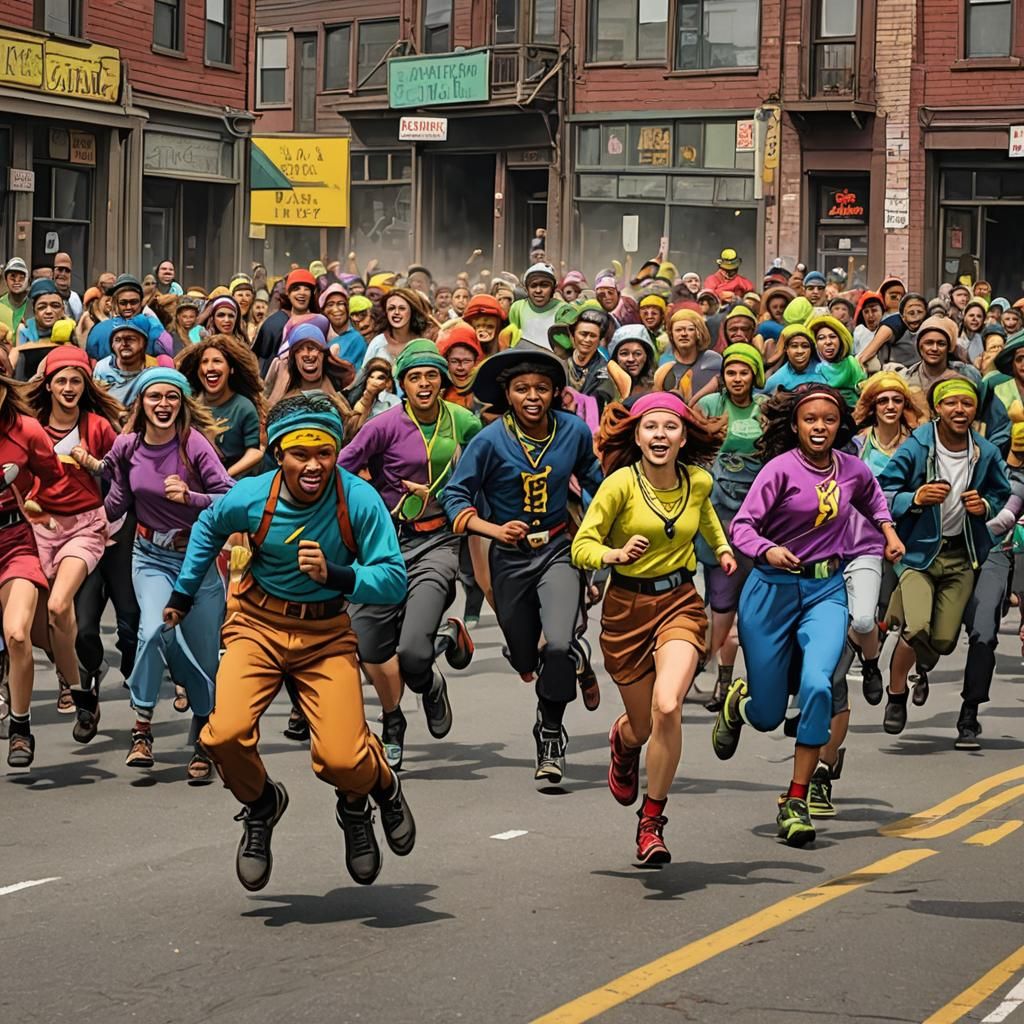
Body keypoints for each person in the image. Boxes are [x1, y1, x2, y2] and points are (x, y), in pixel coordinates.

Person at [162, 393, 412, 890]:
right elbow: (209, 524)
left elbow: (393, 577)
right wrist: (184, 592)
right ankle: (261, 806)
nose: (314, 464)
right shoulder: (253, 496)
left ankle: (369, 792)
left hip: (325, 635)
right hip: (257, 626)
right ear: (279, 454)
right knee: (222, 736)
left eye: (324, 451)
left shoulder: (357, 499)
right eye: (300, 453)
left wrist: (338, 574)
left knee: (343, 759)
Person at [712, 384, 904, 846]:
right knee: (768, 714)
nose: (820, 427)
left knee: (820, 684)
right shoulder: (779, 470)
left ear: (840, 426)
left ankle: (796, 798)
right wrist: (768, 550)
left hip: (826, 590)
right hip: (770, 592)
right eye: (810, 420)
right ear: (795, 425)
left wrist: (888, 533)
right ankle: (740, 704)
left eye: (829, 420)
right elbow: (741, 526)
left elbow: (874, 499)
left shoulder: (853, 470)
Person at [572, 392, 734, 863]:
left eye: (670, 427)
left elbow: (705, 519)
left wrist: (721, 549)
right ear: (638, 436)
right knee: (642, 727)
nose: (660, 435)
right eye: (651, 427)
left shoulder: (698, 481)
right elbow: (583, 544)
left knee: (669, 705)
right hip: (626, 610)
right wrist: (613, 555)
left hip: (680, 602)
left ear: (685, 437)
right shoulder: (620, 484)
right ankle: (623, 742)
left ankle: (652, 820)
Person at [443, 346, 604, 787]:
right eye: (521, 389)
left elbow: (597, 482)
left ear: (555, 392)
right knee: (525, 657)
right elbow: (455, 496)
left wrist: (601, 530)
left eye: (541, 388)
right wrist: (492, 530)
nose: (532, 396)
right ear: (507, 395)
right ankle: (575, 659)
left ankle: (550, 732)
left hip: (557, 549)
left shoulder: (572, 430)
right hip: (509, 558)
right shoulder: (488, 440)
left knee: (556, 644)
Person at [75, 368, 234, 777]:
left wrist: (192, 496)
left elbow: (230, 496)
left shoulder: (193, 444)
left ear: (181, 404)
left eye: (172, 398)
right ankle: (142, 726)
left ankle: (203, 731)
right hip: (149, 557)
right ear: (141, 403)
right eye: (154, 397)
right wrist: (78, 514)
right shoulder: (128, 446)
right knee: (151, 631)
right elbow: (117, 503)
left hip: (196, 560)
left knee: (203, 656)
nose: (163, 405)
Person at [338, 340, 480, 768]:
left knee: (415, 653)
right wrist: (375, 502)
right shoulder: (384, 425)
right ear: (402, 384)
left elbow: (488, 462)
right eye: (415, 377)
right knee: (366, 645)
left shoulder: (462, 421)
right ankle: (393, 718)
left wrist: (455, 492)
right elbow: (342, 468)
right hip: (385, 544)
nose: (423, 383)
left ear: (442, 380)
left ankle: (430, 683)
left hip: (437, 541)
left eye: (431, 375)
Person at [878, 377, 1009, 736]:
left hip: (961, 557)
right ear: (938, 408)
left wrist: (984, 506)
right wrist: (915, 498)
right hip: (919, 554)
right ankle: (896, 692)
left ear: (974, 411)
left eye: (966, 404)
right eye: (951, 403)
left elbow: (1001, 492)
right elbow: (883, 492)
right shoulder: (918, 446)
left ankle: (920, 665)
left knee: (944, 642)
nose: (959, 410)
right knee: (916, 626)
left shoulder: (985, 452)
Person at [22, 346, 122, 741]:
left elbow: (120, 472)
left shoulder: (97, 426)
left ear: (85, 385)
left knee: (60, 605)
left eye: (75, 380)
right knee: (31, 626)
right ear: (47, 386)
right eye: (60, 380)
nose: (68, 387)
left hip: (84, 526)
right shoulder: (30, 426)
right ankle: (80, 674)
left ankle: (76, 681)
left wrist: (94, 465)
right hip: (39, 526)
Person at [695, 343, 766, 709]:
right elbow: (693, 449)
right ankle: (709, 668)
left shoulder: (766, 407)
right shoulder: (709, 407)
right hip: (717, 510)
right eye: (731, 372)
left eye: (744, 371)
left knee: (751, 608)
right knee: (721, 602)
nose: (738, 378)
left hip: (759, 516)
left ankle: (730, 681)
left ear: (755, 374)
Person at [0, 376, 64, 767]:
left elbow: (53, 476)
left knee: (17, 633)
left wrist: (34, 496)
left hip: (15, 540)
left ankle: (20, 728)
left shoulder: (25, 430)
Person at [176, 334, 266, 478]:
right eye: (204, 362)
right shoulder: (190, 405)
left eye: (217, 361)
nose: (210, 367)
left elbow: (254, 452)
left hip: (233, 483)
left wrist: (223, 476)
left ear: (231, 369)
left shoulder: (243, 407)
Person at [264, 319, 355, 410]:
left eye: (312, 348)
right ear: (294, 359)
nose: (306, 354)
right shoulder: (284, 400)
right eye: (299, 349)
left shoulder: (339, 399)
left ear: (323, 354)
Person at [899, 314, 980, 415]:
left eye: (941, 344)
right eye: (929, 343)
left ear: (948, 347)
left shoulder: (968, 374)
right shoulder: (905, 378)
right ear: (920, 346)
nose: (934, 348)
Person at [549, 305, 626, 409]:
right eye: (583, 334)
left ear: (599, 340)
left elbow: (602, 398)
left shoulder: (604, 370)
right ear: (573, 336)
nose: (587, 340)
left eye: (593, 336)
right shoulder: (561, 364)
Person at [253, 269, 317, 372]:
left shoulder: (320, 322)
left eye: (306, 289)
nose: (302, 293)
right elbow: (261, 361)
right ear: (288, 292)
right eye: (296, 289)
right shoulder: (274, 324)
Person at [654, 309, 721, 404]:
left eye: (690, 329)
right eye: (678, 330)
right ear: (671, 335)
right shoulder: (664, 369)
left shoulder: (712, 360)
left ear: (699, 333)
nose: (684, 334)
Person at [93, 316, 159, 404]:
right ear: (112, 345)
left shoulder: (154, 369)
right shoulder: (102, 368)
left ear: (143, 343)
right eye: (118, 340)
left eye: (130, 339)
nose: (124, 344)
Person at [363, 288, 432, 368]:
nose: (396, 312)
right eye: (391, 308)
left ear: (412, 311)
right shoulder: (378, 342)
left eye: (402, 308)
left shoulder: (423, 344)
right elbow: (364, 376)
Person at [858, 292, 927, 368]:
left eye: (919, 312)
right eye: (911, 312)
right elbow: (865, 355)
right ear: (902, 315)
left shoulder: (929, 324)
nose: (915, 317)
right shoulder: (891, 325)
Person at [808, 315, 865, 407]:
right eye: (821, 338)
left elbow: (863, 390)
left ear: (841, 340)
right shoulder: (815, 368)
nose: (828, 342)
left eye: (833, 336)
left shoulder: (851, 362)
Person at [321, 283, 366, 367]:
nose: (336, 309)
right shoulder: (321, 337)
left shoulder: (356, 338)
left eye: (340, 303)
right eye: (330, 304)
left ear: (347, 308)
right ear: (323, 310)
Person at [610, 324, 658, 403]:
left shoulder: (657, 387)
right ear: (615, 357)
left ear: (647, 356)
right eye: (624, 353)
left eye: (638, 354)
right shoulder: (605, 385)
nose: (631, 359)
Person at [0, 257, 30, 335]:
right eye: (13, 277)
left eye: (21, 277)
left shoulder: (33, 305)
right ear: (6, 280)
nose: (17, 281)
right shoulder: (1, 304)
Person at [52, 252, 82, 321]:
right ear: (53, 272)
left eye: (67, 271)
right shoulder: (46, 295)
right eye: (60, 269)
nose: (63, 274)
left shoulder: (76, 297)